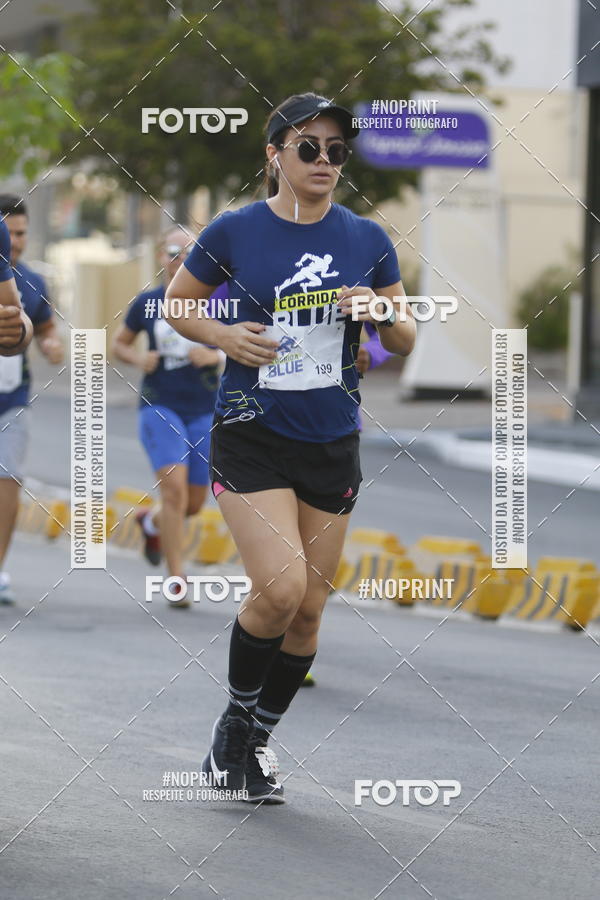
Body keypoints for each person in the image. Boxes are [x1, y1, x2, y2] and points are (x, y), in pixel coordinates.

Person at [165, 92, 416, 803]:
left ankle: (252, 739)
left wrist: (380, 314)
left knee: (309, 610)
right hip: (250, 433)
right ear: (275, 154)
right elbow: (179, 303)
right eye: (310, 148)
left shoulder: (367, 238)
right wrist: (222, 335)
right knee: (280, 590)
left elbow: (405, 336)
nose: (325, 162)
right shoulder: (236, 229)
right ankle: (230, 733)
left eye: (337, 151)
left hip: (332, 440)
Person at [112, 228, 224, 608]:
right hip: (160, 404)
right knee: (173, 490)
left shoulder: (215, 304)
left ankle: (151, 522)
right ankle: (178, 578)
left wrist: (217, 356)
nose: (181, 259)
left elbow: (249, 342)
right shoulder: (147, 303)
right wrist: (137, 358)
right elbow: (119, 344)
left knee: (193, 504)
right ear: (161, 256)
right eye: (174, 252)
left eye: (190, 252)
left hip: (205, 409)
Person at [300, 320, 393, 687]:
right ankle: (271, 644)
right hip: (262, 428)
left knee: (315, 567)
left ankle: (297, 647)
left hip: (335, 431)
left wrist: (372, 352)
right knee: (280, 558)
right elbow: (208, 313)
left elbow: (393, 330)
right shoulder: (247, 266)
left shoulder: (353, 270)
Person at [0, 196, 63, 605]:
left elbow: (42, 327)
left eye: (21, 233)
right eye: (13, 233)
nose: (17, 241)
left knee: (7, 480)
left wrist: (47, 342)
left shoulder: (33, 282)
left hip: (10, 397)